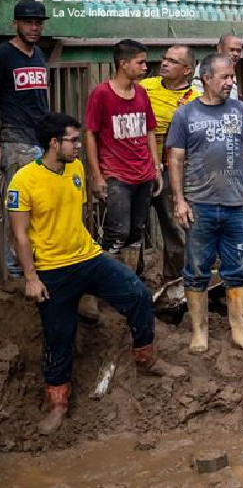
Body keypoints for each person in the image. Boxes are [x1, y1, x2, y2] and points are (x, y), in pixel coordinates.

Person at [10, 114, 184, 434]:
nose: (79, 145)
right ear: (53, 143)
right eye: (73, 140)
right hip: (52, 270)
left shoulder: (75, 168)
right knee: (58, 337)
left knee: (138, 294)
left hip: (88, 258)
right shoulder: (23, 181)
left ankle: (146, 359)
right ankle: (57, 402)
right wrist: (31, 279)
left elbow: (78, 215)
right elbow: (19, 236)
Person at [166, 54, 243, 354]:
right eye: (224, 77)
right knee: (197, 269)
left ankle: (239, 328)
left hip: (237, 204)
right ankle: (200, 331)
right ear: (206, 78)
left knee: (238, 268)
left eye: (232, 78)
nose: (230, 82)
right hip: (199, 205)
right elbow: (175, 159)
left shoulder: (242, 111)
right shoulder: (185, 115)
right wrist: (179, 201)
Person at [85, 39, 163, 273]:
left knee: (136, 231)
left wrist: (155, 167)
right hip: (116, 175)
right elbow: (91, 135)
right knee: (117, 232)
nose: (145, 68)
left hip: (144, 174)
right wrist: (97, 175)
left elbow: (149, 130)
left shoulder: (141, 93)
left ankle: (131, 282)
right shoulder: (101, 94)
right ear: (123, 63)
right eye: (140, 63)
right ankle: (105, 283)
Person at [2, 0, 51, 279]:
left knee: (39, 204)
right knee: (17, 205)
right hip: (15, 139)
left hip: (39, 138)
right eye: (28, 22)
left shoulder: (38, 55)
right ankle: (13, 270)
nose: (34, 28)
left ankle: (31, 263)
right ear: (15, 24)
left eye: (38, 23)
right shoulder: (5, 55)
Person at [141, 45, 197, 292]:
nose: (164, 64)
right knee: (130, 229)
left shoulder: (195, 100)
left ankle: (173, 284)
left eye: (173, 61)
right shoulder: (144, 87)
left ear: (187, 70)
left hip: (174, 171)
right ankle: (132, 282)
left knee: (176, 229)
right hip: (139, 167)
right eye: (164, 59)